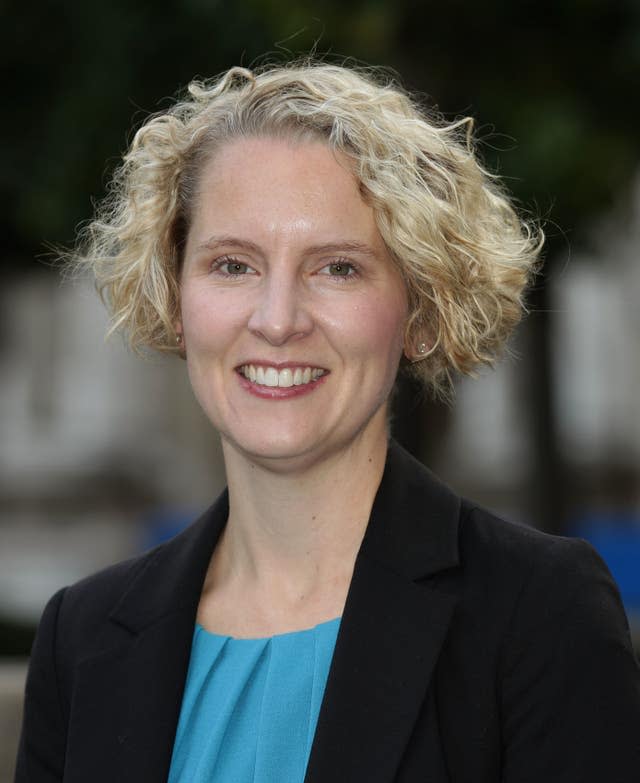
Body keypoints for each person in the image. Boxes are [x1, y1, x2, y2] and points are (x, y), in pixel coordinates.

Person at [16, 62, 640, 783]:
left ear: (420, 313)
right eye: (232, 265)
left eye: (337, 267)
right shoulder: (82, 638)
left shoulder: (539, 615)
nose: (277, 320)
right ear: (174, 296)